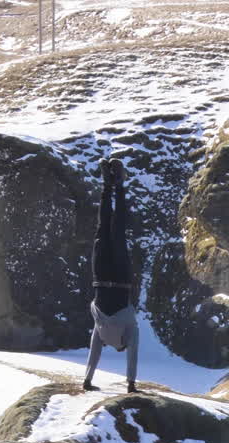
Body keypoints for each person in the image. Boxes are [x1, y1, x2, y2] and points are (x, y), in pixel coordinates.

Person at [83, 157, 139, 393]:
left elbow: (131, 353)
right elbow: (94, 352)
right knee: (104, 229)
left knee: (116, 230)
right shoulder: (101, 329)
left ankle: (115, 185)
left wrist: (131, 383)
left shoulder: (127, 329)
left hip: (121, 280)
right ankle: (111, 185)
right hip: (101, 278)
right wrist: (87, 380)